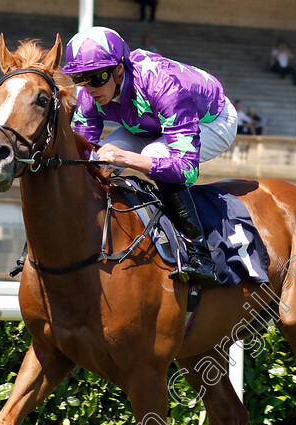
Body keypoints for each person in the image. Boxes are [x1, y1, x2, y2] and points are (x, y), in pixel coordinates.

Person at [65, 26, 238, 287]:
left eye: (97, 77)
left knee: (152, 154)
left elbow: (185, 169)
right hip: (150, 121)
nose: (89, 89)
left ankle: (200, 256)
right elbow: (82, 155)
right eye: (80, 79)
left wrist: (127, 159)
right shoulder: (88, 95)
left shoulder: (163, 85)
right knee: (96, 162)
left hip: (211, 120)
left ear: (119, 69)